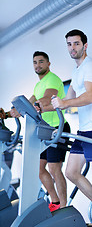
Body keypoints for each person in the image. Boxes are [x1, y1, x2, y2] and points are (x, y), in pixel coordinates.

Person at [50, 29, 92, 226]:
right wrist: (52, 114)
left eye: (76, 43)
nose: (72, 48)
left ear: (85, 45)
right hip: (83, 130)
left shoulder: (91, 66)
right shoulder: (77, 70)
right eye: (69, 44)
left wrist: (64, 104)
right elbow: (68, 98)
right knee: (71, 172)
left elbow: (90, 96)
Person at [0, 51, 70, 212]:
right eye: (35, 62)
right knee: (38, 169)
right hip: (43, 131)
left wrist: (39, 104)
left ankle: (64, 206)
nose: (37, 65)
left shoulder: (52, 79)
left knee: (54, 168)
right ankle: (55, 200)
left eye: (41, 62)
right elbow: (25, 105)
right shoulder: (38, 84)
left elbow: (47, 97)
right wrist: (8, 114)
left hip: (56, 129)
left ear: (48, 64)